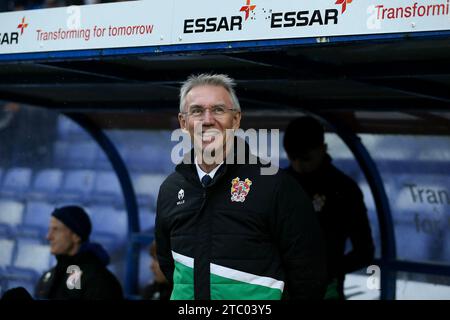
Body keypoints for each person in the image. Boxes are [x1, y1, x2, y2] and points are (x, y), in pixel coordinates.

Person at [155, 73, 327, 300]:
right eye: (197, 111)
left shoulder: (275, 185)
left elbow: (310, 275)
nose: (207, 120)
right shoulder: (171, 188)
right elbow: (169, 265)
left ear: (236, 120)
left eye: (218, 110)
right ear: (183, 123)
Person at [283, 116, 375, 300]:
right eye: (293, 158)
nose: (299, 165)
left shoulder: (343, 191)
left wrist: (329, 270)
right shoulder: (279, 185)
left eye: (306, 158)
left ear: (323, 149)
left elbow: (364, 251)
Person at [35, 205, 123, 300]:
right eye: (49, 230)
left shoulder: (99, 281)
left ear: (76, 236)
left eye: (56, 230)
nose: (48, 237)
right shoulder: (50, 276)